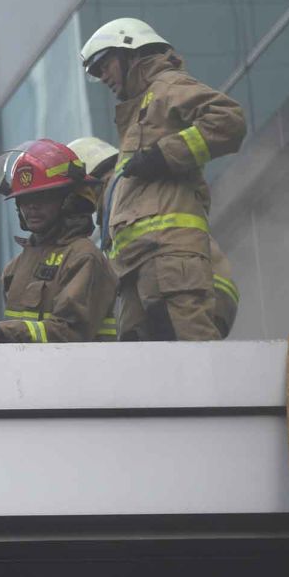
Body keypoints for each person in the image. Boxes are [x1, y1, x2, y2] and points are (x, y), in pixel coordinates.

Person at [80, 17, 246, 341]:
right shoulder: (136, 115)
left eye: (104, 65)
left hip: (169, 255)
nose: (102, 77)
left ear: (130, 51)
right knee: (146, 372)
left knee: (191, 355)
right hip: (134, 268)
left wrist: (165, 154)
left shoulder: (166, 87)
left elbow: (229, 120)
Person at [0, 140, 118, 367]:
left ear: (67, 201)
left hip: (83, 379)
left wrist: (0, 331)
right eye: (25, 200)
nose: (31, 208)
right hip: (33, 380)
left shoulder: (84, 257)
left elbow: (71, 332)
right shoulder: (17, 266)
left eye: (42, 198)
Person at [68, 135, 240, 338]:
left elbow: (139, 255)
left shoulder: (120, 189)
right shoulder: (131, 186)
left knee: (192, 360)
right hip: (207, 287)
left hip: (181, 289)